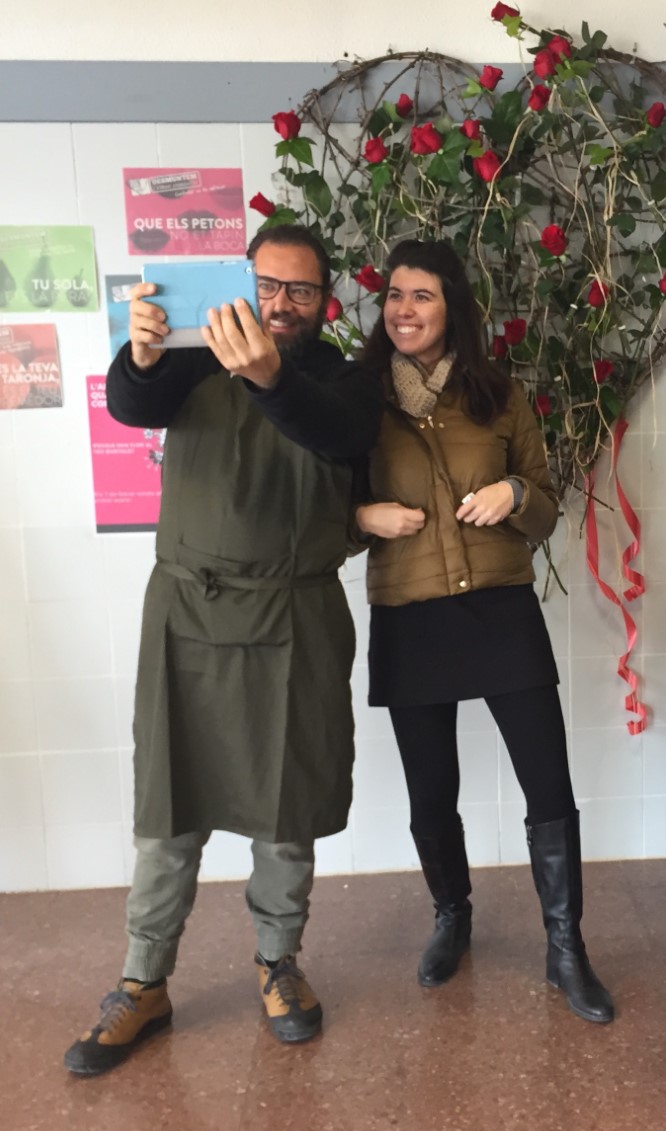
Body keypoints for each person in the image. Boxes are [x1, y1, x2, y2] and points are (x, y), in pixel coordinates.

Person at [65, 225, 384, 1076]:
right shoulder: (192, 358)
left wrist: (269, 376)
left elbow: (341, 432)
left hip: (294, 615)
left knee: (288, 810)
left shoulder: (342, 380)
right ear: (243, 283)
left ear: (325, 303)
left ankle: (279, 964)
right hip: (187, 614)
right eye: (267, 285)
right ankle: (143, 981)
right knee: (167, 811)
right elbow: (133, 404)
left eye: (301, 291)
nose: (281, 304)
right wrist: (140, 356)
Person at [352, 239, 613, 1024]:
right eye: (395, 295)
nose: (404, 310)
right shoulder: (358, 399)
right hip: (409, 613)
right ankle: (451, 917)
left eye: (422, 295)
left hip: (499, 609)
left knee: (548, 783)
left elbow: (545, 502)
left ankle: (566, 947)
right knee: (432, 791)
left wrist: (514, 495)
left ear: (453, 307)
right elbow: (321, 507)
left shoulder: (500, 395)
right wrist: (363, 516)